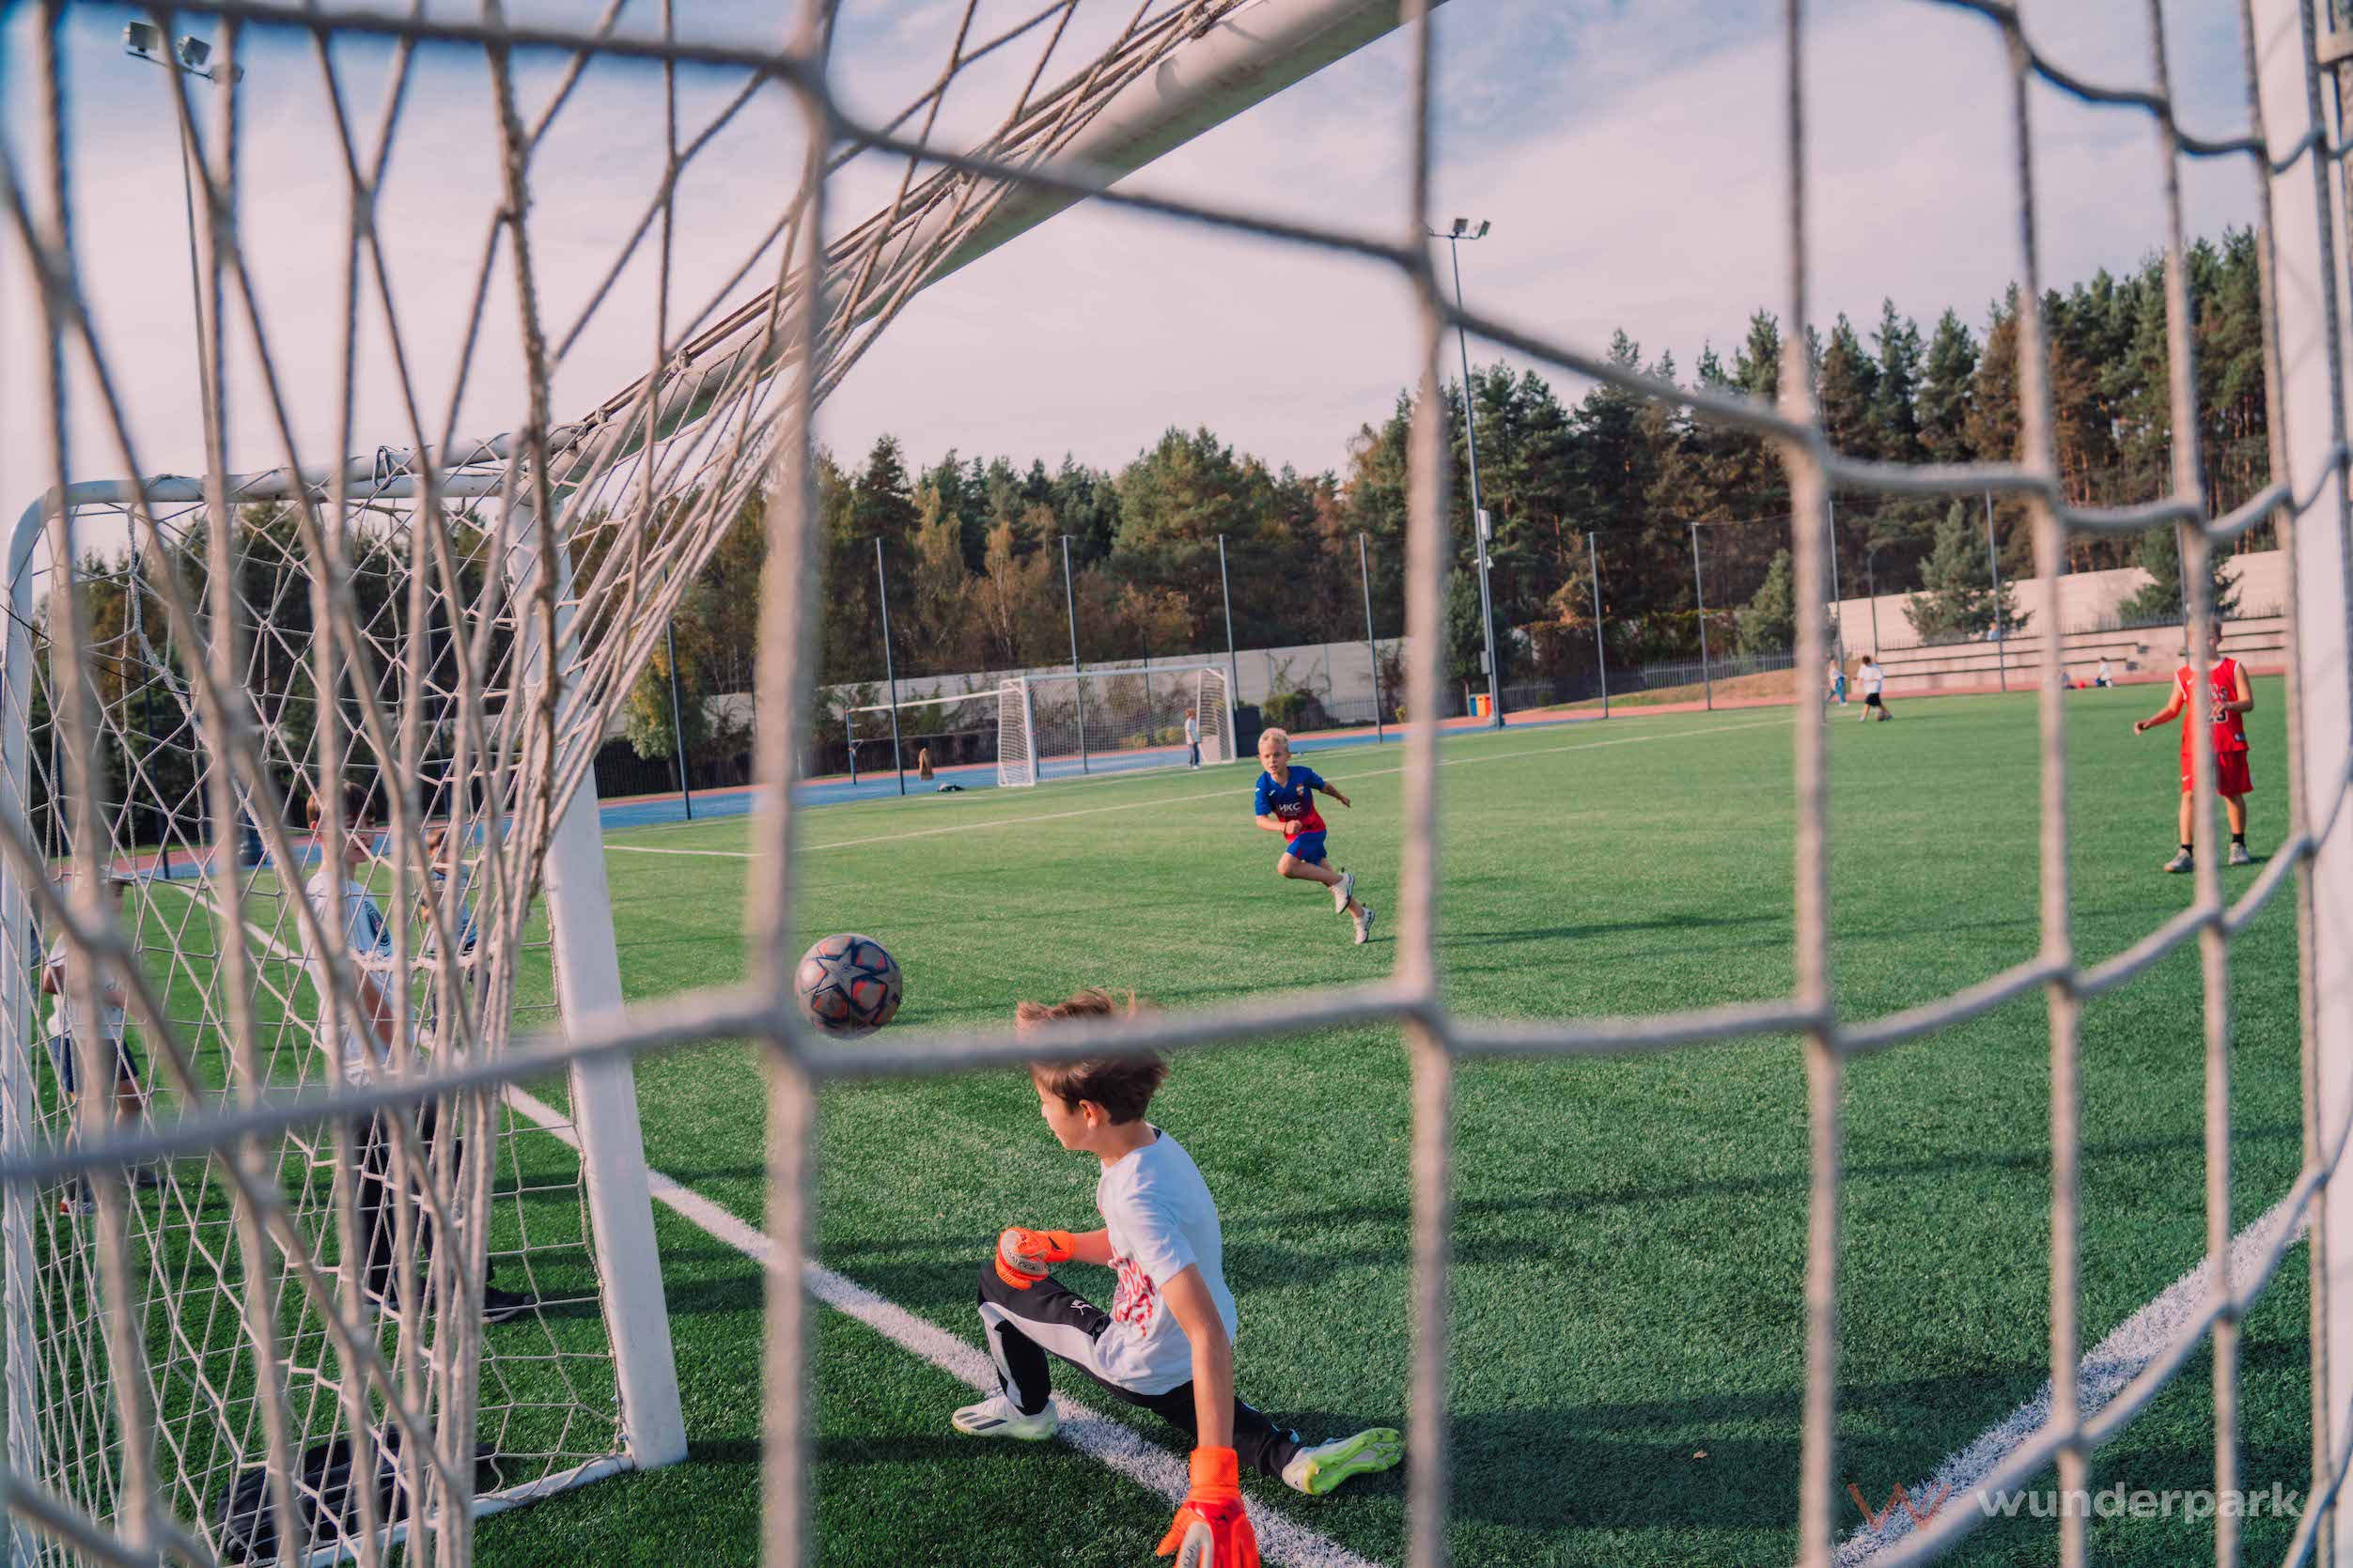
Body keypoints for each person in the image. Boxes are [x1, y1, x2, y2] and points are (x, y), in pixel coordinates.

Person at [954, 989, 1404, 1562]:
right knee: (1197, 1409)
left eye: (1044, 1100)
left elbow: (1206, 1336)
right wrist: (1059, 1245)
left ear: (1088, 1112)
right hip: (1178, 1350)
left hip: (1139, 1357)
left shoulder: (1134, 1196)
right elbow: (1132, 1250)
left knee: (997, 1287)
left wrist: (1213, 1489)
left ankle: (1027, 1412)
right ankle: (1295, 1461)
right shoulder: (1152, 1150)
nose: (1042, 1112)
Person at [305, 789, 532, 1322]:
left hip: (363, 1064)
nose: (366, 833)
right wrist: (403, 1052)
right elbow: (353, 979)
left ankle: (374, 1285)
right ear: (319, 833)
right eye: (352, 824)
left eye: (369, 821)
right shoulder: (330, 897)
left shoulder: (350, 892)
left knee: (377, 1177)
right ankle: (464, 1292)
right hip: (377, 1063)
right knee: (441, 1168)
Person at [43, 876, 153, 1214]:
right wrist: (117, 997)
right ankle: (74, 1196)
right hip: (78, 1035)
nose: (117, 900)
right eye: (111, 892)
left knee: (133, 1101)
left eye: (120, 893)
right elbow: (51, 982)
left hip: (108, 1034)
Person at [2133, 624, 2255, 872]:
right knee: (2189, 794)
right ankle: (2186, 852)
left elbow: (2248, 702)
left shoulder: (2233, 667)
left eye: (2209, 637)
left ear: (2219, 639)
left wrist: (2229, 705)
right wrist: (2150, 722)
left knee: (2231, 793)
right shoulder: (2184, 674)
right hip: (2195, 746)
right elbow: (2172, 709)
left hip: (2227, 742)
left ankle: (2238, 845)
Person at [1252, 728, 1373, 944]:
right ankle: (1362, 916)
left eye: (1277, 754)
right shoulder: (1263, 786)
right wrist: (1284, 826)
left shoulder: (1302, 774)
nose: (1272, 760)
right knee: (1329, 882)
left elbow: (1324, 786)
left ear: (1288, 756)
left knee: (1285, 868)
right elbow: (1260, 819)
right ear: (1260, 759)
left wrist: (1340, 796)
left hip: (1314, 830)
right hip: (1295, 837)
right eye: (1266, 756)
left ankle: (1343, 880)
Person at [1858, 655, 1890, 722]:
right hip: (1868, 688)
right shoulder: (1863, 666)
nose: (1867, 665)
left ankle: (1863, 717)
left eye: (1868, 663)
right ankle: (1889, 715)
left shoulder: (1876, 667)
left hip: (1875, 687)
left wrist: (1874, 679)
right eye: (1865, 664)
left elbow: (1881, 677)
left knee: (1867, 702)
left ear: (1870, 661)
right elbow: (1860, 675)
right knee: (1878, 703)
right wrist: (1860, 680)